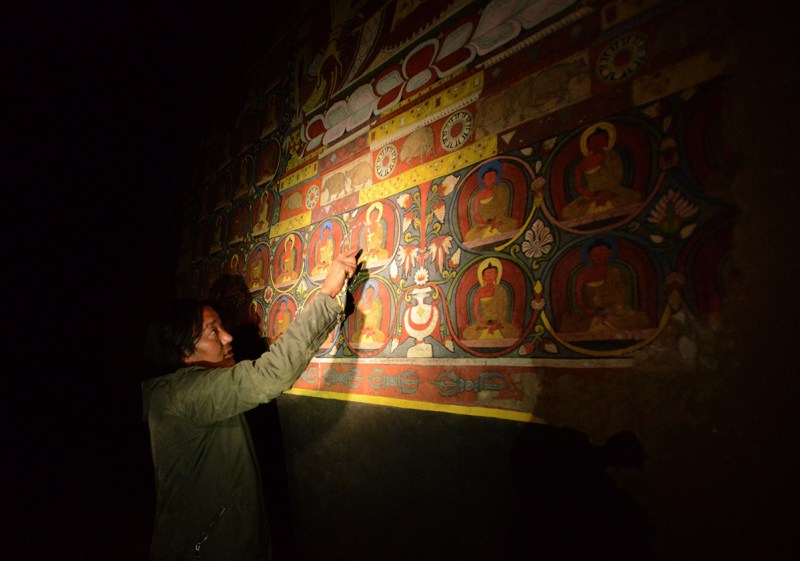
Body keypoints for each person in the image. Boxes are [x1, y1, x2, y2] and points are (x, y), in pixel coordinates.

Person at [142, 247, 359, 561]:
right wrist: (327, 292)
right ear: (183, 353)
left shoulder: (177, 393)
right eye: (213, 331)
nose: (229, 337)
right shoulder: (186, 394)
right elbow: (271, 374)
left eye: (223, 325)